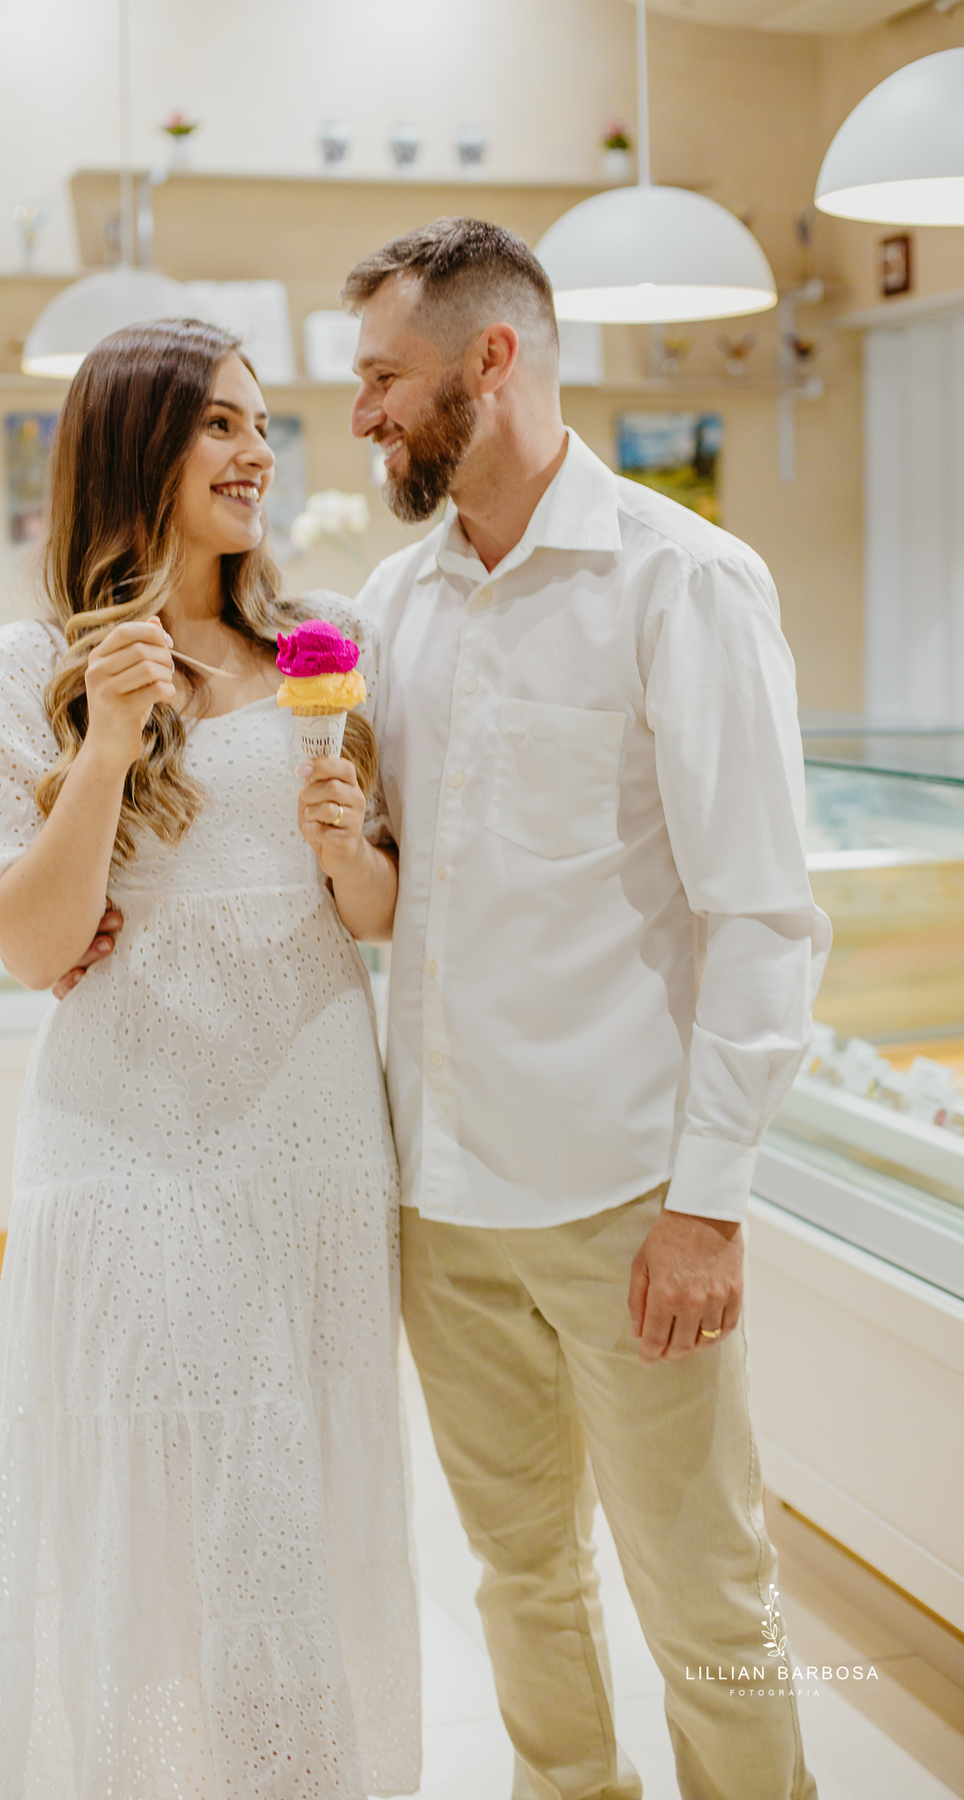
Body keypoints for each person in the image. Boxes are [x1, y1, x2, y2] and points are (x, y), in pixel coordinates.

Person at [341, 219, 830, 1800]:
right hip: (442, 1204)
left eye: (386, 378)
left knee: (706, 1593)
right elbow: (404, 898)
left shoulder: (682, 583)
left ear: (493, 360)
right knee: (519, 1580)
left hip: (629, 1204)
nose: (362, 413)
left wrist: (710, 1202)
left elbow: (762, 913)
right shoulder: (395, 605)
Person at [0, 318, 420, 1800]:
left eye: (261, 424)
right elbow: (30, 942)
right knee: (159, 1483)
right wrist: (107, 738)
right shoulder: (26, 668)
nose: (258, 452)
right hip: (127, 1132)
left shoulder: (324, 644)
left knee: (291, 1485)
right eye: (219, 424)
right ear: (134, 444)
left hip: (313, 1120)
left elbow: (382, 910)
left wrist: (350, 851)